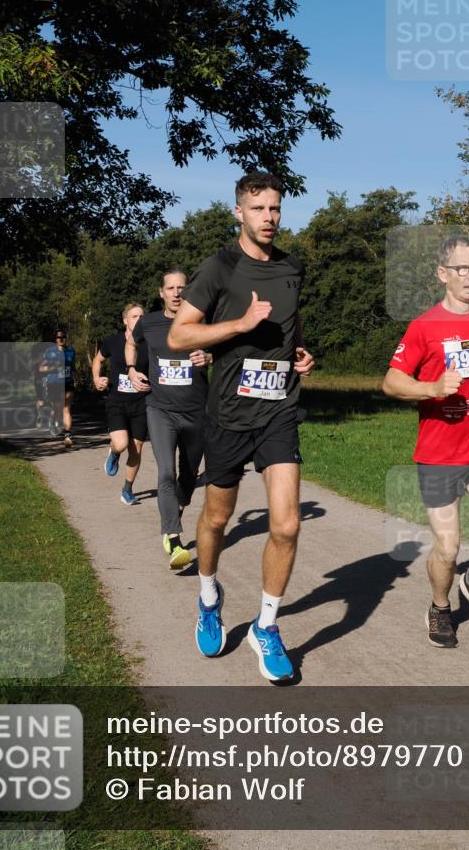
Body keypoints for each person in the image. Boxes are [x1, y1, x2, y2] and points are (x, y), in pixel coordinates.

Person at [168, 171, 314, 681]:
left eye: (275, 209)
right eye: (258, 209)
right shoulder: (220, 267)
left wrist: (298, 353)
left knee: (287, 523)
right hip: (227, 414)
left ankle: (266, 627)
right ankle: (209, 596)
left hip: (278, 409)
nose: (269, 218)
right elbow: (179, 337)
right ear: (238, 212)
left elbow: (292, 325)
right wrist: (237, 326)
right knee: (214, 521)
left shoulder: (293, 267)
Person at [382, 234, 469, 648]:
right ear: (443, 274)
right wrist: (432, 388)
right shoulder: (424, 326)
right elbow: (391, 382)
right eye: (462, 268)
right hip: (440, 452)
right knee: (447, 545)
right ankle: (440, 607)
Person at [125, 272, 210, 568]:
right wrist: (132, 369)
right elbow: (131, 343)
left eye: (181, 288)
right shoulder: (148, 322)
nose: (176, 293)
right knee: (165, 473)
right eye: (170, 288)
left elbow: (224, 352)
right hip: (160, 410)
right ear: (161, 292)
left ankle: (174, 516)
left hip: (196, 412)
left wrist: (209, 358)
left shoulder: (202, 321)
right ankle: (173, 539)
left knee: (187, 478)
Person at [93, 303, 149, 506]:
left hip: (141, 402)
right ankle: (114, 452)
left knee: (137, 448)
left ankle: (127, 489)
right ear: (125, 320)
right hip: (117, 401)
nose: (139, 320)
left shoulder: (149, 343)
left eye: (142, 316)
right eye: (134, 316)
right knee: (122, 443)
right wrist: (96, 379)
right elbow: (98, 360)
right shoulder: (113, 342)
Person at [41, 328, 76, 447]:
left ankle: (67, 434)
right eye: (59, 337)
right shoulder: (49, 351)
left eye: (63, 337)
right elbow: (41, 368)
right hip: (54, 383)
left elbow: (73, 367)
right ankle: (52, 421)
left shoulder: (71, 351)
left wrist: (74, 377)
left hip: (68, 383)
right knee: (56, 408)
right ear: (55, 339)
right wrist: (53, 368)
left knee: (66, 409)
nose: (61, 339)